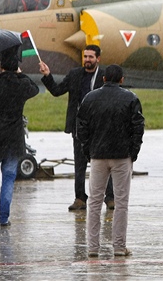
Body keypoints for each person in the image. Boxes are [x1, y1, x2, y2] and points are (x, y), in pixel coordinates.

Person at [76, 64, 145, 257]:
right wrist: (133, 152)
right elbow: (138, 127)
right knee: (121, 202)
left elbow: (81, 127)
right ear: (122, 79)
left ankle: (92, 247)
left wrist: (88, 150)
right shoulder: (130, 98)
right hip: (122, 156)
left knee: (94, 202)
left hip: (98, 155)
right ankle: (119, 246)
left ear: (104, 79)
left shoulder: (90, 98)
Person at [39, 44, 114, 211]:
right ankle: (80, 198)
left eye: (90, 57)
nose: (87, 60)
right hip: (80, 127)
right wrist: (47, 75)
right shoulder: (75, 75)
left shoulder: (104, 76)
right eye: (85, 56)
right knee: (79, 164)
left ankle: (110, 198)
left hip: (100, 128)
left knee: (104, 163)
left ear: (98, 59)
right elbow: (57, 91)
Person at [0, 53, 39, 227]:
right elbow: (35, 88)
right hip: (14, 138)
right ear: (16, 68)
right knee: (9, 178)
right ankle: (4, 218)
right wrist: (20, 74)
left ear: (2, 67)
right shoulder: (22, 84)